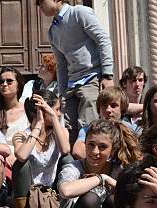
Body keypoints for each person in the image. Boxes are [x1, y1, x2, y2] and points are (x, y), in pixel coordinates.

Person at [37, 0, 114, 139]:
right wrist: (62, 93)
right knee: (70, 132)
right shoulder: (52, 31)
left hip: (91, 78)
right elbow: (61, 64)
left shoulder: (79, 13)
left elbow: (103, 40)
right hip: (70, 86)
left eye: (41, 1)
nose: (39, 5)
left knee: (90, 130)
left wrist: (108, 75)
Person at [58, 119, 141, 208]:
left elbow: (134, 200)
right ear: (85, 144)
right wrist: (101, 178)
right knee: (90, 200)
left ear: (112, 151)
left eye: (102, 147)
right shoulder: (74, 167)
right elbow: (66, 191)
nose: (95, 151)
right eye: (91, 144)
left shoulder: (117, 171)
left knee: (113, 200)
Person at [12, 90, 69, 208]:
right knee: (21, 165)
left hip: (52, 190)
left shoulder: (60, 133)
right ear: (42, 111)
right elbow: (21, 155)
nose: (60, 113)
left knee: (68, 159)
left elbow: (66, 150)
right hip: (29, 192)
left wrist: (54, 118)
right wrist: (38, 125)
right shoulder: (21, 135)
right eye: (56, 109)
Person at [72, 86, 139, 160]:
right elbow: (78, 151)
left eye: (113, 106)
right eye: (104, 106)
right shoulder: (88, 129)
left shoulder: (130, 129)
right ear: (99, 109)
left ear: (122, 109)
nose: (108, 110)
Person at [0, 67, 29, 164]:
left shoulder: (28, 111)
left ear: (19, 86)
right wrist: (5, 153)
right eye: (1, 81)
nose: (4, 84)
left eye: (9, 81)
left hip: (23, 159)